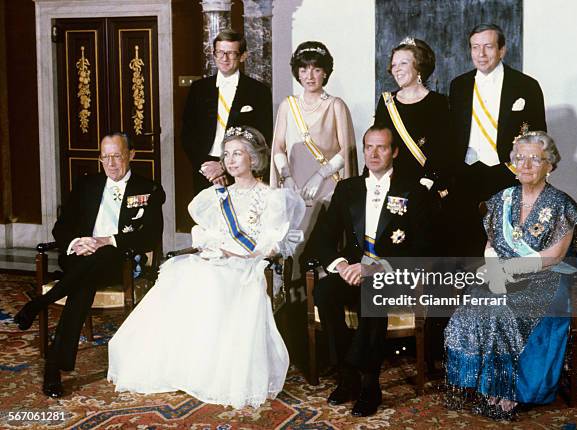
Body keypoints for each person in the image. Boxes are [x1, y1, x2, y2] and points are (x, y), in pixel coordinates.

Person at [108, 126, 305, 409]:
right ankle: (180, 366)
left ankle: (213, 372)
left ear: (253, 158)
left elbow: (271, 244)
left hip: (246, 265)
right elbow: (210, 234)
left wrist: (238, 256)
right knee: (179, 274)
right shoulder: (217, 196)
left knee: (211, 282)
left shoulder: (273, 197)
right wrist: (213, 250)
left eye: (238, 153)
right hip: (217, 260)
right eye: (227, 155)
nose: (232, 160)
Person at [444, 131, 577, 420]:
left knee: (511, 311)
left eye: (534, 159)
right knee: (472, 307)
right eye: (519, 159)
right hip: (503, 274)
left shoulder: (562, 204)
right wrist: (496, 272)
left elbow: (554, 256)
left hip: (548, 276)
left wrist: (509, 271)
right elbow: (491, 245)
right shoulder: (501, 200)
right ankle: (486, 384)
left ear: (551, 165)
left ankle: (514, 391)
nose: (525, 165)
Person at [13, 132, 165, 398]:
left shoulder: (148, 189)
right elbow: (62, 227)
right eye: (105, 157)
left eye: (117, 156)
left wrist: (105, 240)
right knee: (85, 280)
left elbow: (150, 235)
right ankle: (53, 363)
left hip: (118, 260)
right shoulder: (87, 185)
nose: (111, 163)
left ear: (131, 155)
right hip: (81, 256)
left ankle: (42, 315)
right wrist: (76, 243)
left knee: (95, 264)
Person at [311, 125, 435, 417]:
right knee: (325, 291)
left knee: (373, 291)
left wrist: (376, 268)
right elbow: (322, 240)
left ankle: (370, 383)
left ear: (394, 152)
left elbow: (426, 248)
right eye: (369, 147)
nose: (374, 154)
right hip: (354, 270)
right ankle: (347, 374)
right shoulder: (347, 189)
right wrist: (341, 266)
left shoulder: (414, 191)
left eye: (381, 148)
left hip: (394, 274)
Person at [449, 23, 547, 256]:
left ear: (502, 50)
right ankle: (470, 289)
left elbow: (539, 136)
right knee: (466, 242)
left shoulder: (526, 86)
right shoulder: (459, 85)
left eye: (488, 47)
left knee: (507, 243)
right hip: (466, 171)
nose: (481, 54)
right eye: (475, 47)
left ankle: (508, 290)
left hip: (507, 172)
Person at [270, 40, 357, 275]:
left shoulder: (336, 105)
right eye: (304, 69)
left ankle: (318, 301)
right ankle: (293, 299)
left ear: (325, 72)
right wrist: (286, 177)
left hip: (327, 185)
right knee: (293, 244)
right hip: (295, 185)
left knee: (321, 242)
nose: (309, 75)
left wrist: (320, 175)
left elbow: (346, 150)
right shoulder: (288, 106)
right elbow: (278, 146)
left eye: (316, 69)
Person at [182, 29, 273, 194]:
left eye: (231, 53)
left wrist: (224, 166)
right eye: (220, 52)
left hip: (243, 172)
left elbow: (263, 136)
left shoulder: (259, 91)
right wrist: (207, 169)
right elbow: (187, 135)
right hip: (206, 171)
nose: (224, 58)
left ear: (243, 56)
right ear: (214, 54)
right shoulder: (198, 89)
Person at [374, 36, 452, 196]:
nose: (396, 69)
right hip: (392, 183)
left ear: (419, 67)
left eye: (403, 63)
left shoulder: (439, 102)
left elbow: (444, 150)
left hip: (427, 185)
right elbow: (376, 143)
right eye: (394, 64)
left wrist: (426, 183)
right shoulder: (387, 101)